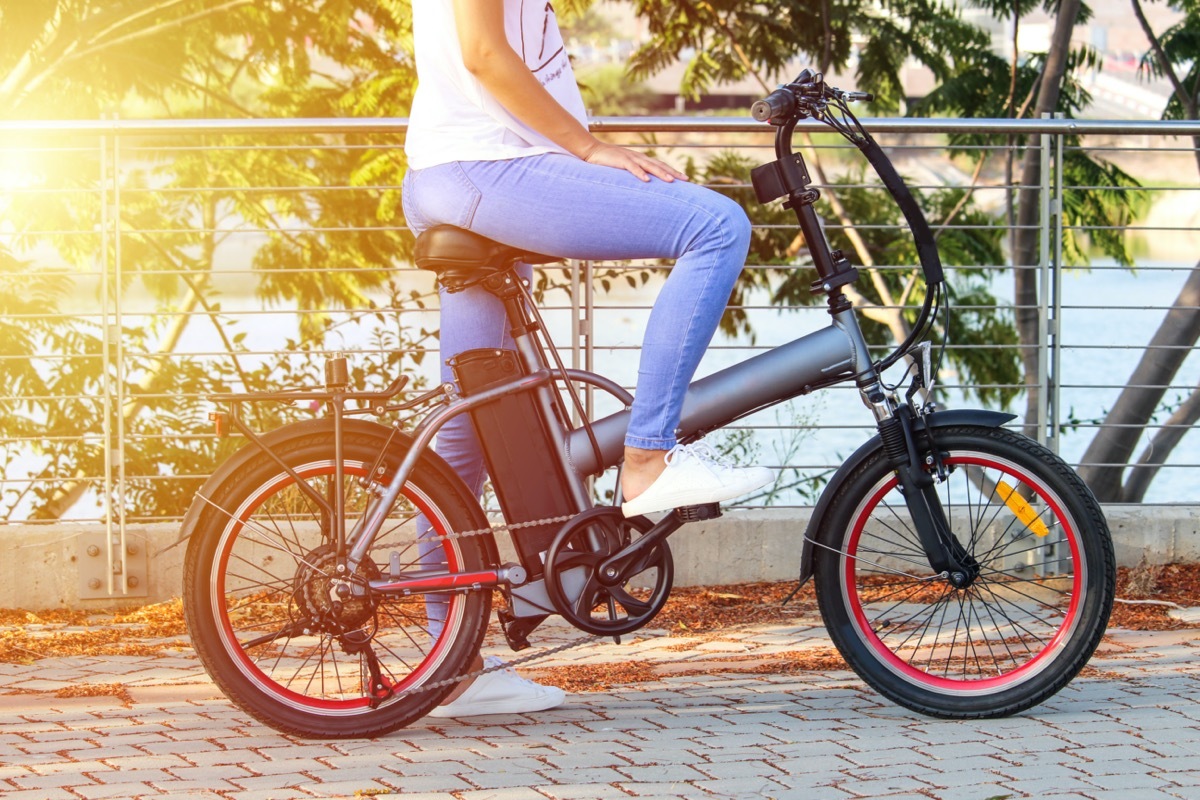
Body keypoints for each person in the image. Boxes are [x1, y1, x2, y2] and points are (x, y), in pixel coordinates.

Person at [402, 0, 773, 718]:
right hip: (490, 167)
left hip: (460, 171)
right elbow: (483, 52)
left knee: (467, 425)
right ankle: (648, 458)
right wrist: (586, 146)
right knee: (715, 224)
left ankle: (449, 663)